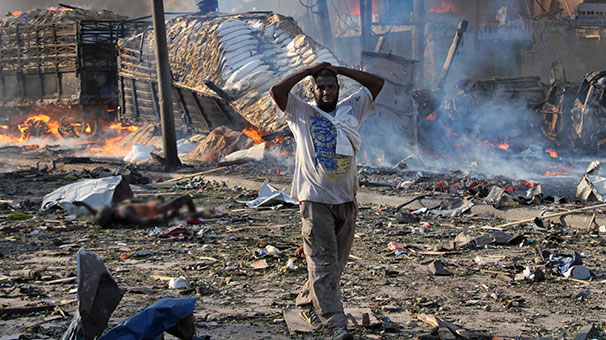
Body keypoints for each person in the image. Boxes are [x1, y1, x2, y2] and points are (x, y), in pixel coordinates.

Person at [270, 62, 384, 340]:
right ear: (313, 89)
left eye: (331, 86)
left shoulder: (350, 109)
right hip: (314, 200)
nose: (326, 91)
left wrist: (340, 70)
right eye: (320, 87)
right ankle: (336, 323)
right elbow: (277, 90)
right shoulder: (301, 112)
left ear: (338, 88)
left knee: (335, 265)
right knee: (323, 263)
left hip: (346, 200)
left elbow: (376, 83)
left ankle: (308, 302)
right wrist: (310, 70)